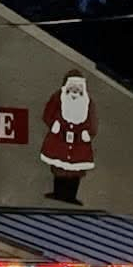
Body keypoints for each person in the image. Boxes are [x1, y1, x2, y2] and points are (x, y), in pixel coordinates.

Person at [39, 70, 97, 204]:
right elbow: (48, 113)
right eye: (72, 87)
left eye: (78, 88)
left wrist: (88, 133)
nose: (75, 91)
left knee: (75, 170)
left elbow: (92, 120)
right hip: (60, 140)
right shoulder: (58, 98)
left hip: (79, 143)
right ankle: (58, 193)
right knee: (59, 167)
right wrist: (53, 124)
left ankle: (70, 196)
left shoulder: (87, 102)